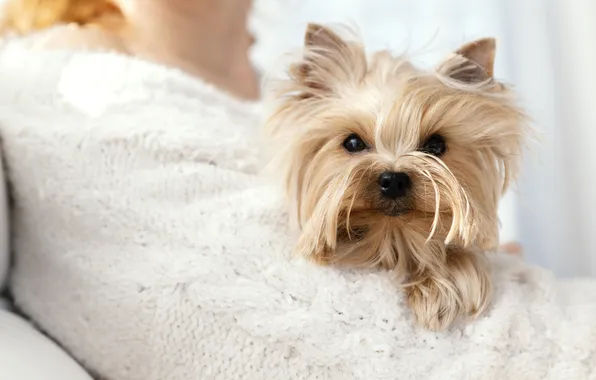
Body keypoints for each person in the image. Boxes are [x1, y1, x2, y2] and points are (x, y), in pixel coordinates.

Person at [0, 1, 523, 379]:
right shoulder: (76, 77)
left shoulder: (254, 79)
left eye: (432, 147)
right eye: (354, 143)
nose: (390, 172)